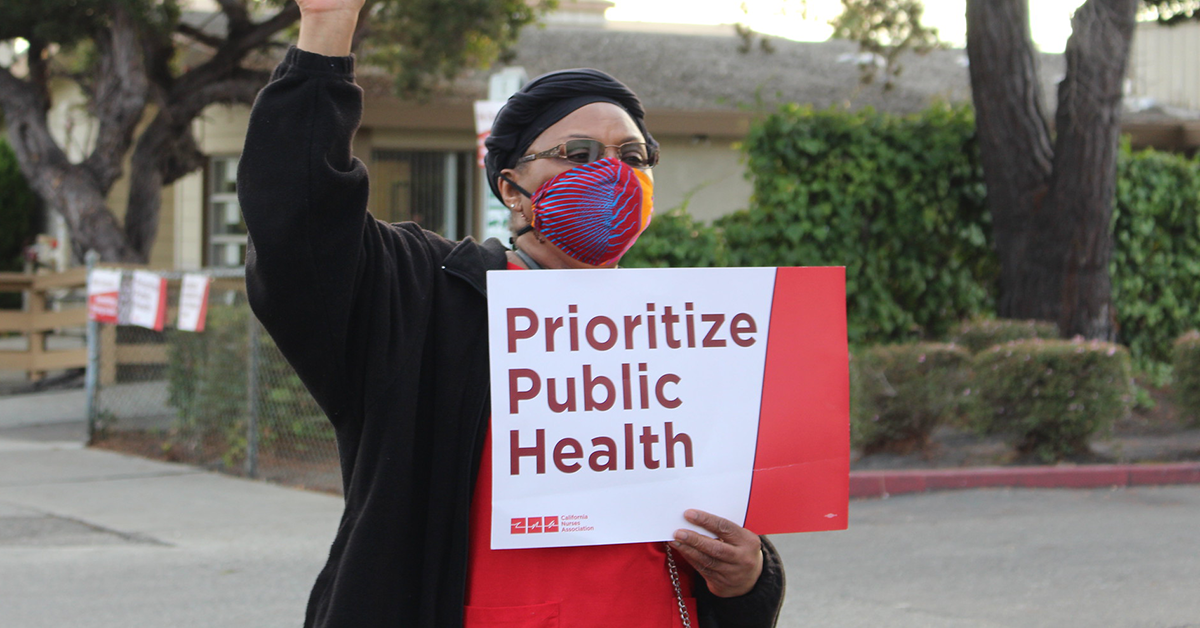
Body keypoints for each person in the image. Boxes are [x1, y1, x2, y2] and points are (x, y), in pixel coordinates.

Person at [237, 1, 786, 626]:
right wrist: (327, 30)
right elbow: (299, 221)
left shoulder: (684, 334)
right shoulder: (425, 297)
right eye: (577, 153)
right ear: (509, 187)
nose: (611, 174)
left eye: (632, 157)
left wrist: (751, 575)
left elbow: (728, 526)